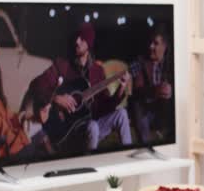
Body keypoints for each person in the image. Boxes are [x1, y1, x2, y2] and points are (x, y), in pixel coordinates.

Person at [31, 22, 132, 151]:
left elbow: (105, 107)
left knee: (122, 113)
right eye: (76, 37)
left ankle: (128, 157)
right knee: (93, 126)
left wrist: (121, 88)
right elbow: (36, 85)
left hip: (90, 127)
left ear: (89, 43)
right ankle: (89, 163)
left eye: (82, 38)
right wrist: (56, 98)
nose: (77, 42)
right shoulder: (62, 65)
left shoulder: (97, 70)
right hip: (67, 131)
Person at [0, 41, 52, 163]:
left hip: (14, 138)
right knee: (38, 136)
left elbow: (8, 117)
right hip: (6, 153)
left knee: (39, 129)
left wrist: (26, 118)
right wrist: (22, 135)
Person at [128, 26, 174, 145]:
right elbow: (137, 90)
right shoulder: (141, 62)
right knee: (136, 105)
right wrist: (156, 90)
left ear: (165, 46)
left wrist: (171, 91)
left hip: (163, 110)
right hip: (145, 109)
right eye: (150, 43)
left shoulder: (171, 64)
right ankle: (146, 146)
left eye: (156, 43)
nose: (151, 47)